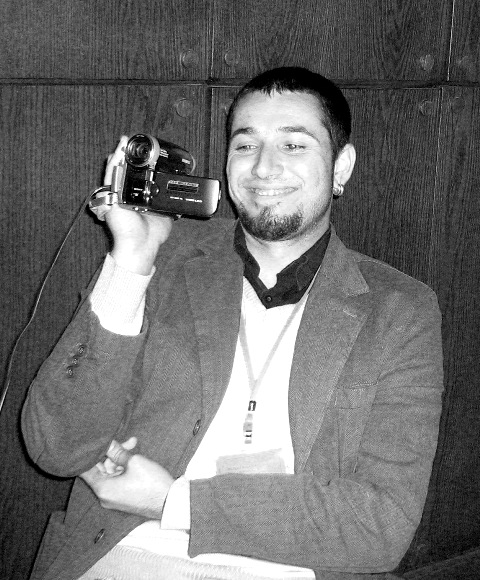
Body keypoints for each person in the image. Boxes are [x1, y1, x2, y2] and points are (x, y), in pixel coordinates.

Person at [22, 67, 444, 580]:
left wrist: (176, 502)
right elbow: (57, 448)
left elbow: (381, 526)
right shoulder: (160, 261)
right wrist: (130, 261)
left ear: (341, 167)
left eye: (293, 145)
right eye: (245, 145)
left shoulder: (399, 310)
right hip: (120, 555)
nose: (264, 167)